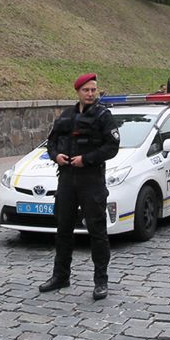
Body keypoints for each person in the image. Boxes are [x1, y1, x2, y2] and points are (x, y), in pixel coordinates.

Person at [40, 73, 120, 300]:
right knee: (63, 229)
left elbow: (112, 147)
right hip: (66, 180)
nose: (91, 94)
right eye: (86, 90)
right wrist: (56, 156)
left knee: (97, 231)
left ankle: (100, 281)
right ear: (78, 92)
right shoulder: (66, 116)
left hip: (91, 180)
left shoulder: (104, 117)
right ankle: (60, 276)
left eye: (94, 90)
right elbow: (51, 143)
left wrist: (87, 159)